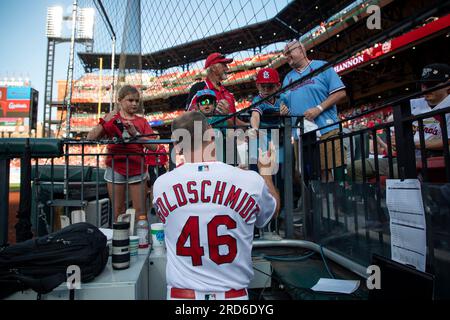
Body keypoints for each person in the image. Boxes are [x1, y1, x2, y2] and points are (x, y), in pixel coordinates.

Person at [152, 111, 280, 300]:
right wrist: (266, 174)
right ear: (212, 134)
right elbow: (272, 212)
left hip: (181, 297)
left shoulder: (161, 185)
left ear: (177, 146)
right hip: (233, 297)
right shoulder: (249, 181)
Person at [350, 63, 450, 181]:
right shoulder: (411, 104)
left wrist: (412, 143)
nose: (426, 89)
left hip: (434, 158)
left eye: (432, 84)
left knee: (396, 170)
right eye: (424, 84)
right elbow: (395, 141)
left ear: (447, 84)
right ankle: (369, 199)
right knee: (355, 167)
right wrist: (397, 139)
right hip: (406, 156)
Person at [87, 85, 158, 221]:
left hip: (137, 167)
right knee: (118, 210)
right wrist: (104, 122)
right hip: (115, 167)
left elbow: (154, 147)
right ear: (120, 101)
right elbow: (90, 138)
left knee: (140, 212)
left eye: (137, 101)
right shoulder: (111, 119)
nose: (134, 104)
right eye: (130, 100)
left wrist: (135, 134)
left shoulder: (141, 121)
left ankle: (141, 241)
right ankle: (120, 240)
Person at [282, 40, 347, 181]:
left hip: (325, 128)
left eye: (289, 52)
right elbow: (285, 105)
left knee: (328, 174)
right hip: (301, 134)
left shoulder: (321, 66)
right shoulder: (287, 78)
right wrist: (283, 109)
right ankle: (315, 202)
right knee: (303, 175)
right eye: (285, 54)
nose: (287, 56)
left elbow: (340, 92)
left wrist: (319, 108)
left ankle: (330, 202)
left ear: (301, 49)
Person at [186, 52, 247, 127]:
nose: (227, 68)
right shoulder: (198, 88)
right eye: (224, 65)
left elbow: (234, 121)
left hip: (229, 136)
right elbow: (189, 117)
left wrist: (250, 126)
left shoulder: (228, 94)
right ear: (213, 68)